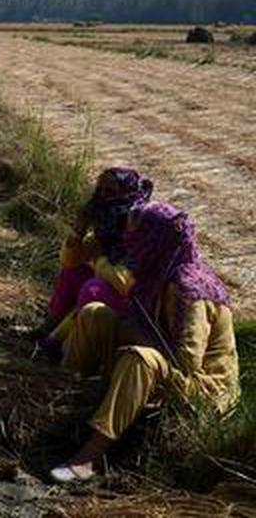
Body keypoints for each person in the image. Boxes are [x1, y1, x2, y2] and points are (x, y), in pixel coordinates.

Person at [50, 202, 241, 483]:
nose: (130, 243)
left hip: (202, 388)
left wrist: (138, 336)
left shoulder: (190, 290)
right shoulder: (155, 272)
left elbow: (186, 362)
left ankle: (92, 455)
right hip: (163, 358)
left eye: (137, 238)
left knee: (141, 358)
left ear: (154, 240)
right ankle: (63, 396)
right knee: (95, 314)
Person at [36, 168, 153, 360]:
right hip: (112, 284)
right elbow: (69, 260)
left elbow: (125, 283)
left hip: (138, 303)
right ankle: (48, 327)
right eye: (100, 190)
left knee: (94, 288)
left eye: (110, 192)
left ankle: (65, 348)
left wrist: (99, 261)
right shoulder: (106, 228)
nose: (102, 197)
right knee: (72, 273)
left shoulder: (138, 227)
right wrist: (77, 233)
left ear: (127, 194)